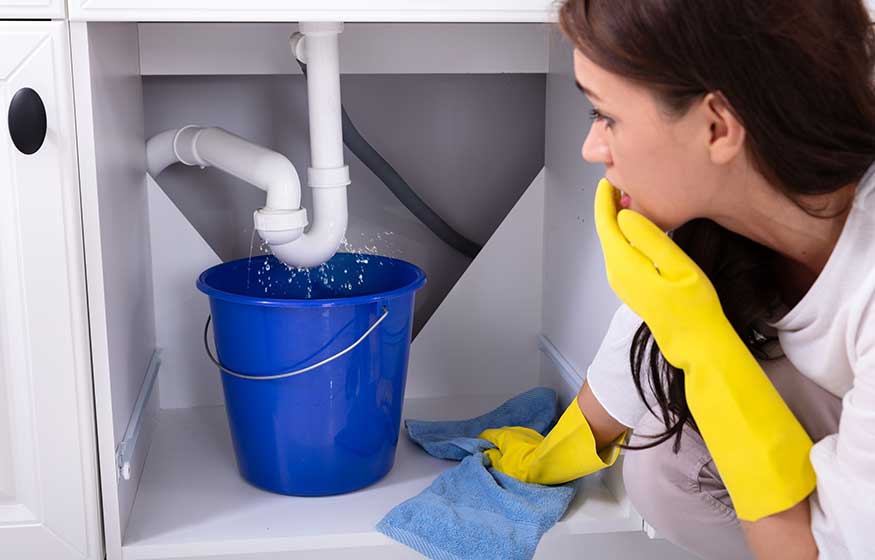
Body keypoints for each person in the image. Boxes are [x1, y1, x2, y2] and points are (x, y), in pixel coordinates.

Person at [478, 1, 875, 558]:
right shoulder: (743, 202)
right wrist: (557, 452)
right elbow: (651, 329)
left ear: (717, 127)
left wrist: (710, 356)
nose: (591, 149)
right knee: (668, 464)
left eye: (606, 117)